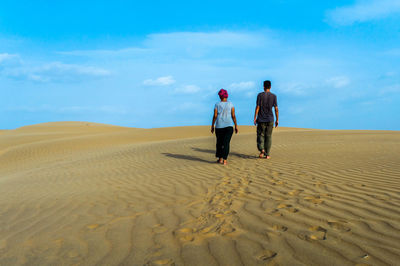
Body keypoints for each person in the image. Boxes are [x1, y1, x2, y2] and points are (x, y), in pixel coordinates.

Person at [211, 89, 238, 165]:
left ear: (220, 96)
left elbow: (215, 115)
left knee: (219, 143)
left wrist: (212, 125)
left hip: (219, 126)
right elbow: (233, 116)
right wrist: (236, 125)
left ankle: (220, 159)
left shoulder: (217, 104)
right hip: (229, 126)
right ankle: (225, 160)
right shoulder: (231, 104)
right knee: (226, 143)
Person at [254, 80, 279, 159]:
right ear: (270, 87)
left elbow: (257, 107)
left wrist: (255, 117)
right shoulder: (274, 96)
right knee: (268, 136)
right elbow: (276, 109)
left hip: (261, 119)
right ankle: (267, 154)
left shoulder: (260, 95)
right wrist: (277, 119)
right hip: (270, 119)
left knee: (260, 135)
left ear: (264, 86)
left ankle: (262, 150)